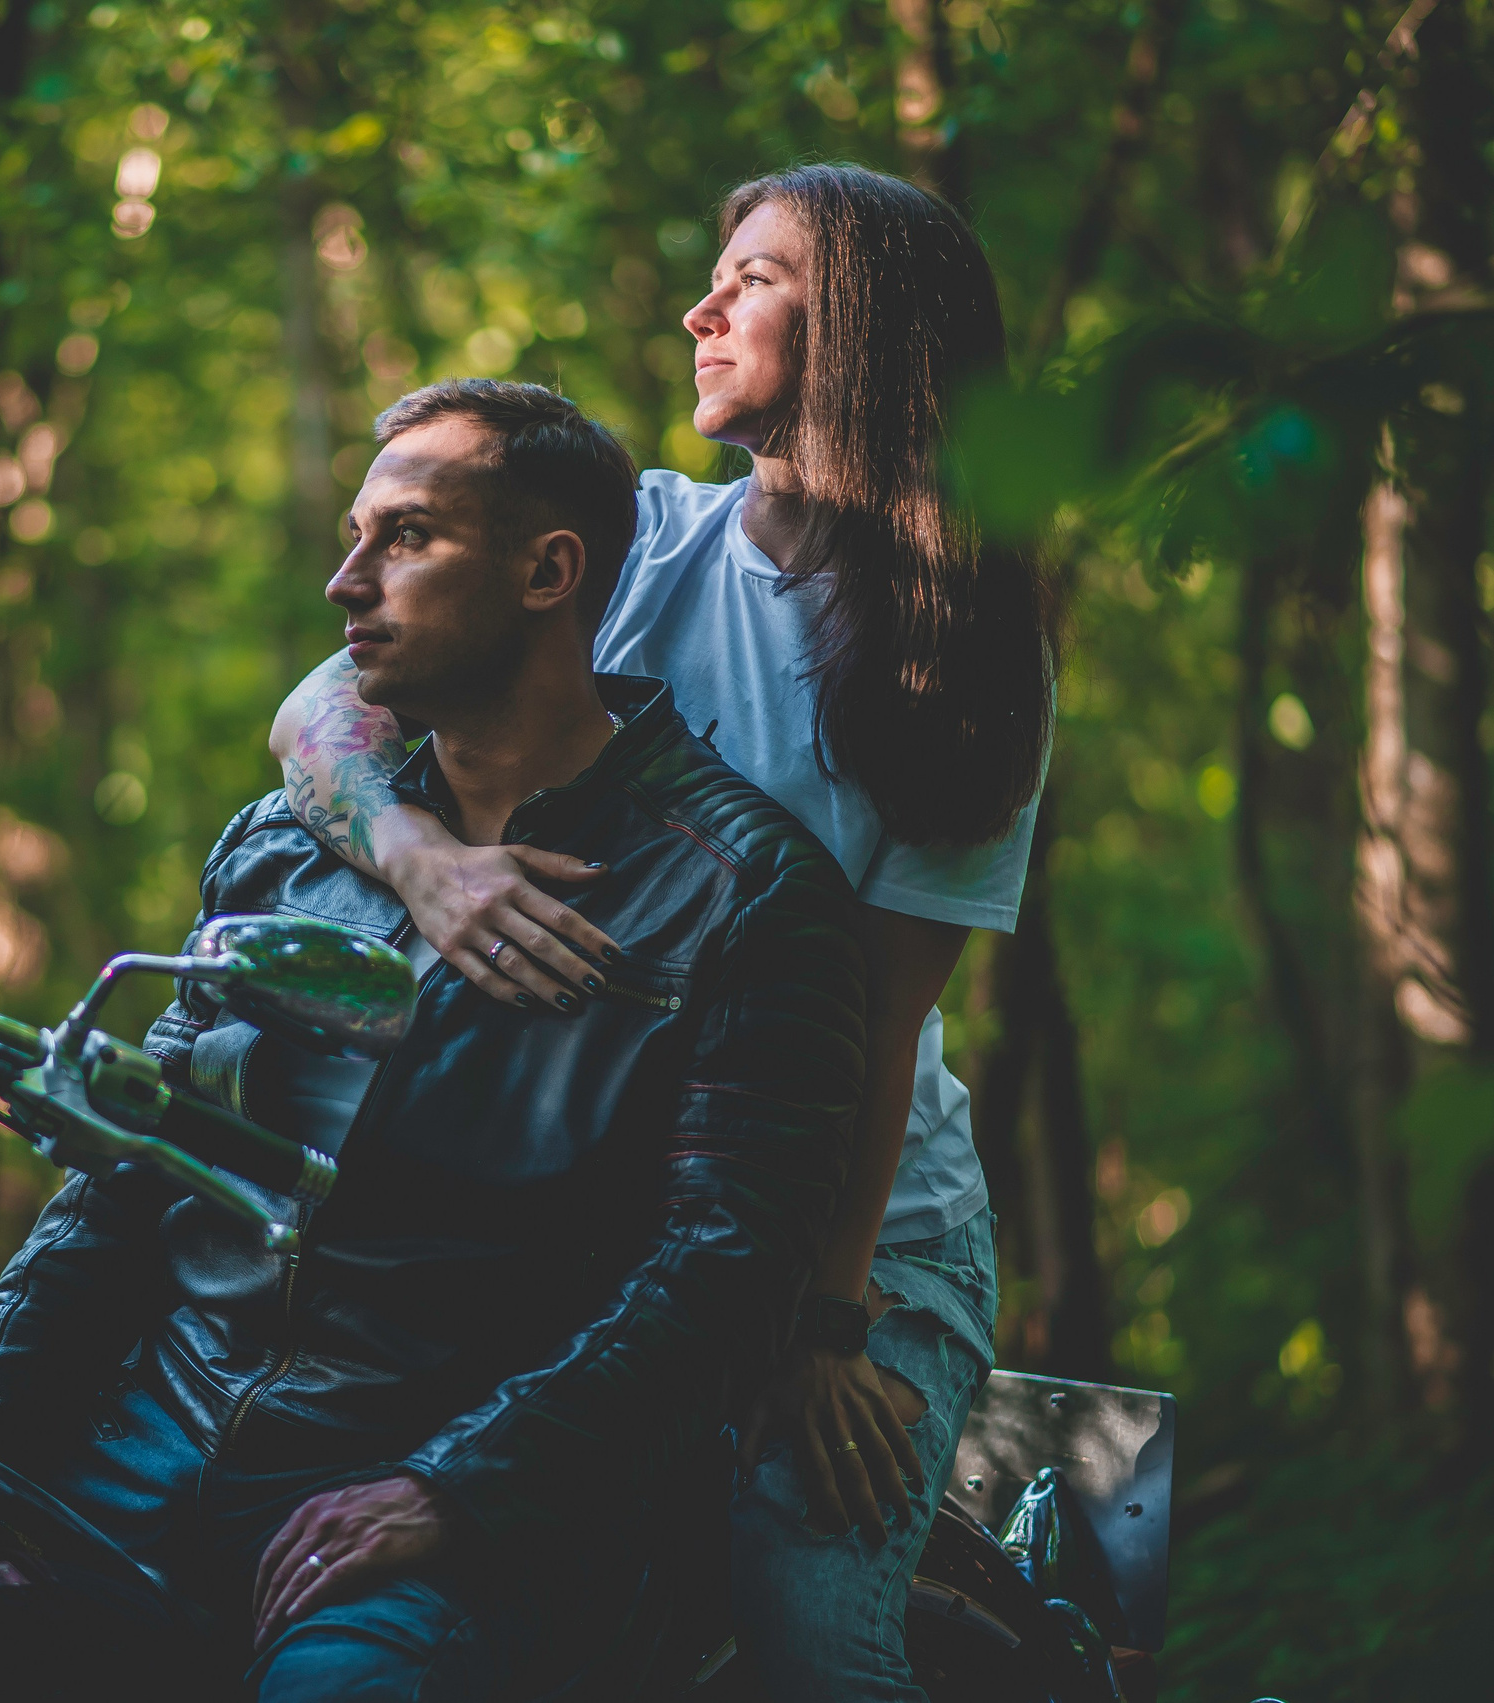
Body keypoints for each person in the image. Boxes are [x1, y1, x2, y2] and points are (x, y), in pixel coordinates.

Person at [0, 378, 866, 1700]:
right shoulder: (282, 847)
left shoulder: (742, 892)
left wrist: (456, 1488)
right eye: (355, 535)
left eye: (405, 539)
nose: (344, 581)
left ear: (550, 573)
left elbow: (726, 1273)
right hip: (140, 1449)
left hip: (448, 1525)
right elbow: (130, 1176)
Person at [267, 164, 1056, 1700]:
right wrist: (423, 858)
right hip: (601, 1209)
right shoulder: (641, 551)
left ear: (873, 334)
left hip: (858, 1232)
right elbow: (320, 707)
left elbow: (880, 1031)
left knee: (804, 1632)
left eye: (754, 280)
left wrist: (819, 1326)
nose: (702, 309)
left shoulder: (959, 655)